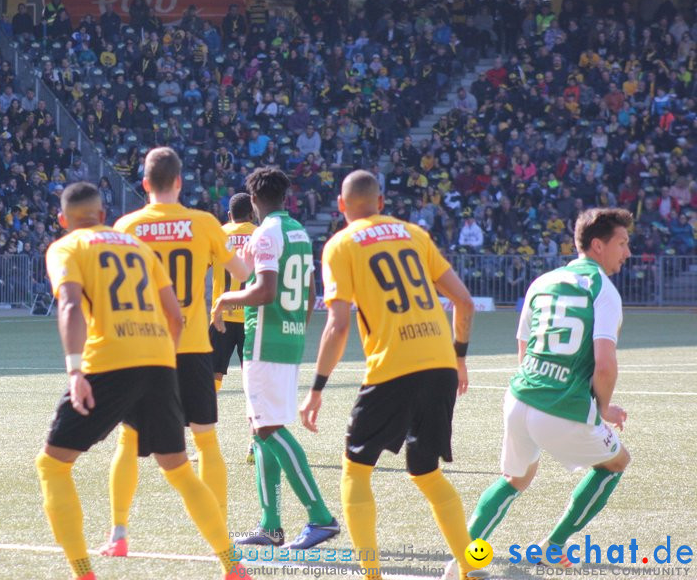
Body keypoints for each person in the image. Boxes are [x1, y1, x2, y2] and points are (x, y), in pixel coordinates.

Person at [35, 182, 252, 580]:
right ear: (102, 216)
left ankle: (84, 570)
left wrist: (75, 370)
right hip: (161, 358)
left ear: (63, 220)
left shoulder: (66, 247)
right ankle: (232, 565)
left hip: (110, 361)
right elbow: (174, 315)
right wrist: (161, 363)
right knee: (180, 467)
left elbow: (69, 305)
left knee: (53, 465)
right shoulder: (136, 249)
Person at [300, 170, 476, 580]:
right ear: (381, 202)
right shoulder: (414, 233)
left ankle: (370, 574)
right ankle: (474, 565)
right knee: (428, 473)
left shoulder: (339, 245)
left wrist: (317, 389)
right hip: (440, 366)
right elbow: (464, 302)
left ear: (341, 206)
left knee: (356, 470)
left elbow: (338, 325)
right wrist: (459, 358)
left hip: (392, 369)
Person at [456, 208, 633, 573]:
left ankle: (463, 557)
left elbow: (523, 348)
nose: (627, 252)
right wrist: (601, 409)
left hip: (520, 397)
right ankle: (552, 546)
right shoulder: (604, 291)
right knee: (616, 463)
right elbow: (604, 365)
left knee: (516, 479)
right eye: (622, 243)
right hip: (560, 406)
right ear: (598, 245)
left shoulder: (543, 281)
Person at [100, 147, 249, 557]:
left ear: (145, 184)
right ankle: (218, 530)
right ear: (179, 182)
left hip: (142, 350)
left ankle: (118, 533)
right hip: (193, 348)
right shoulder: (203, 224)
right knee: (206, 441)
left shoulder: (126, 226)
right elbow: (242, 275)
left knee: (127, 443)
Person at [212, 168, 342, 550]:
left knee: (268, 430)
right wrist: (297, 330)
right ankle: (270, 527)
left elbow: (265, 291)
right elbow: (310, 288)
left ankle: (321, 517)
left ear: (253, 201)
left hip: (264, 341)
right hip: (286, 338)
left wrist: (224, 300)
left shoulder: (266, 233)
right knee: (260, 427)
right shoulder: (299, 230)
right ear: (285, 196)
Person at [210, 192, 256, 392]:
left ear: (229, 214)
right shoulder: (259, 235)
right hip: (252, 317)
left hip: (221, 316)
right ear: (252, 214)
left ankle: (206, 417)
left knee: (213, 371)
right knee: (254, 375)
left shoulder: (218, 235)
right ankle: (258, 420)